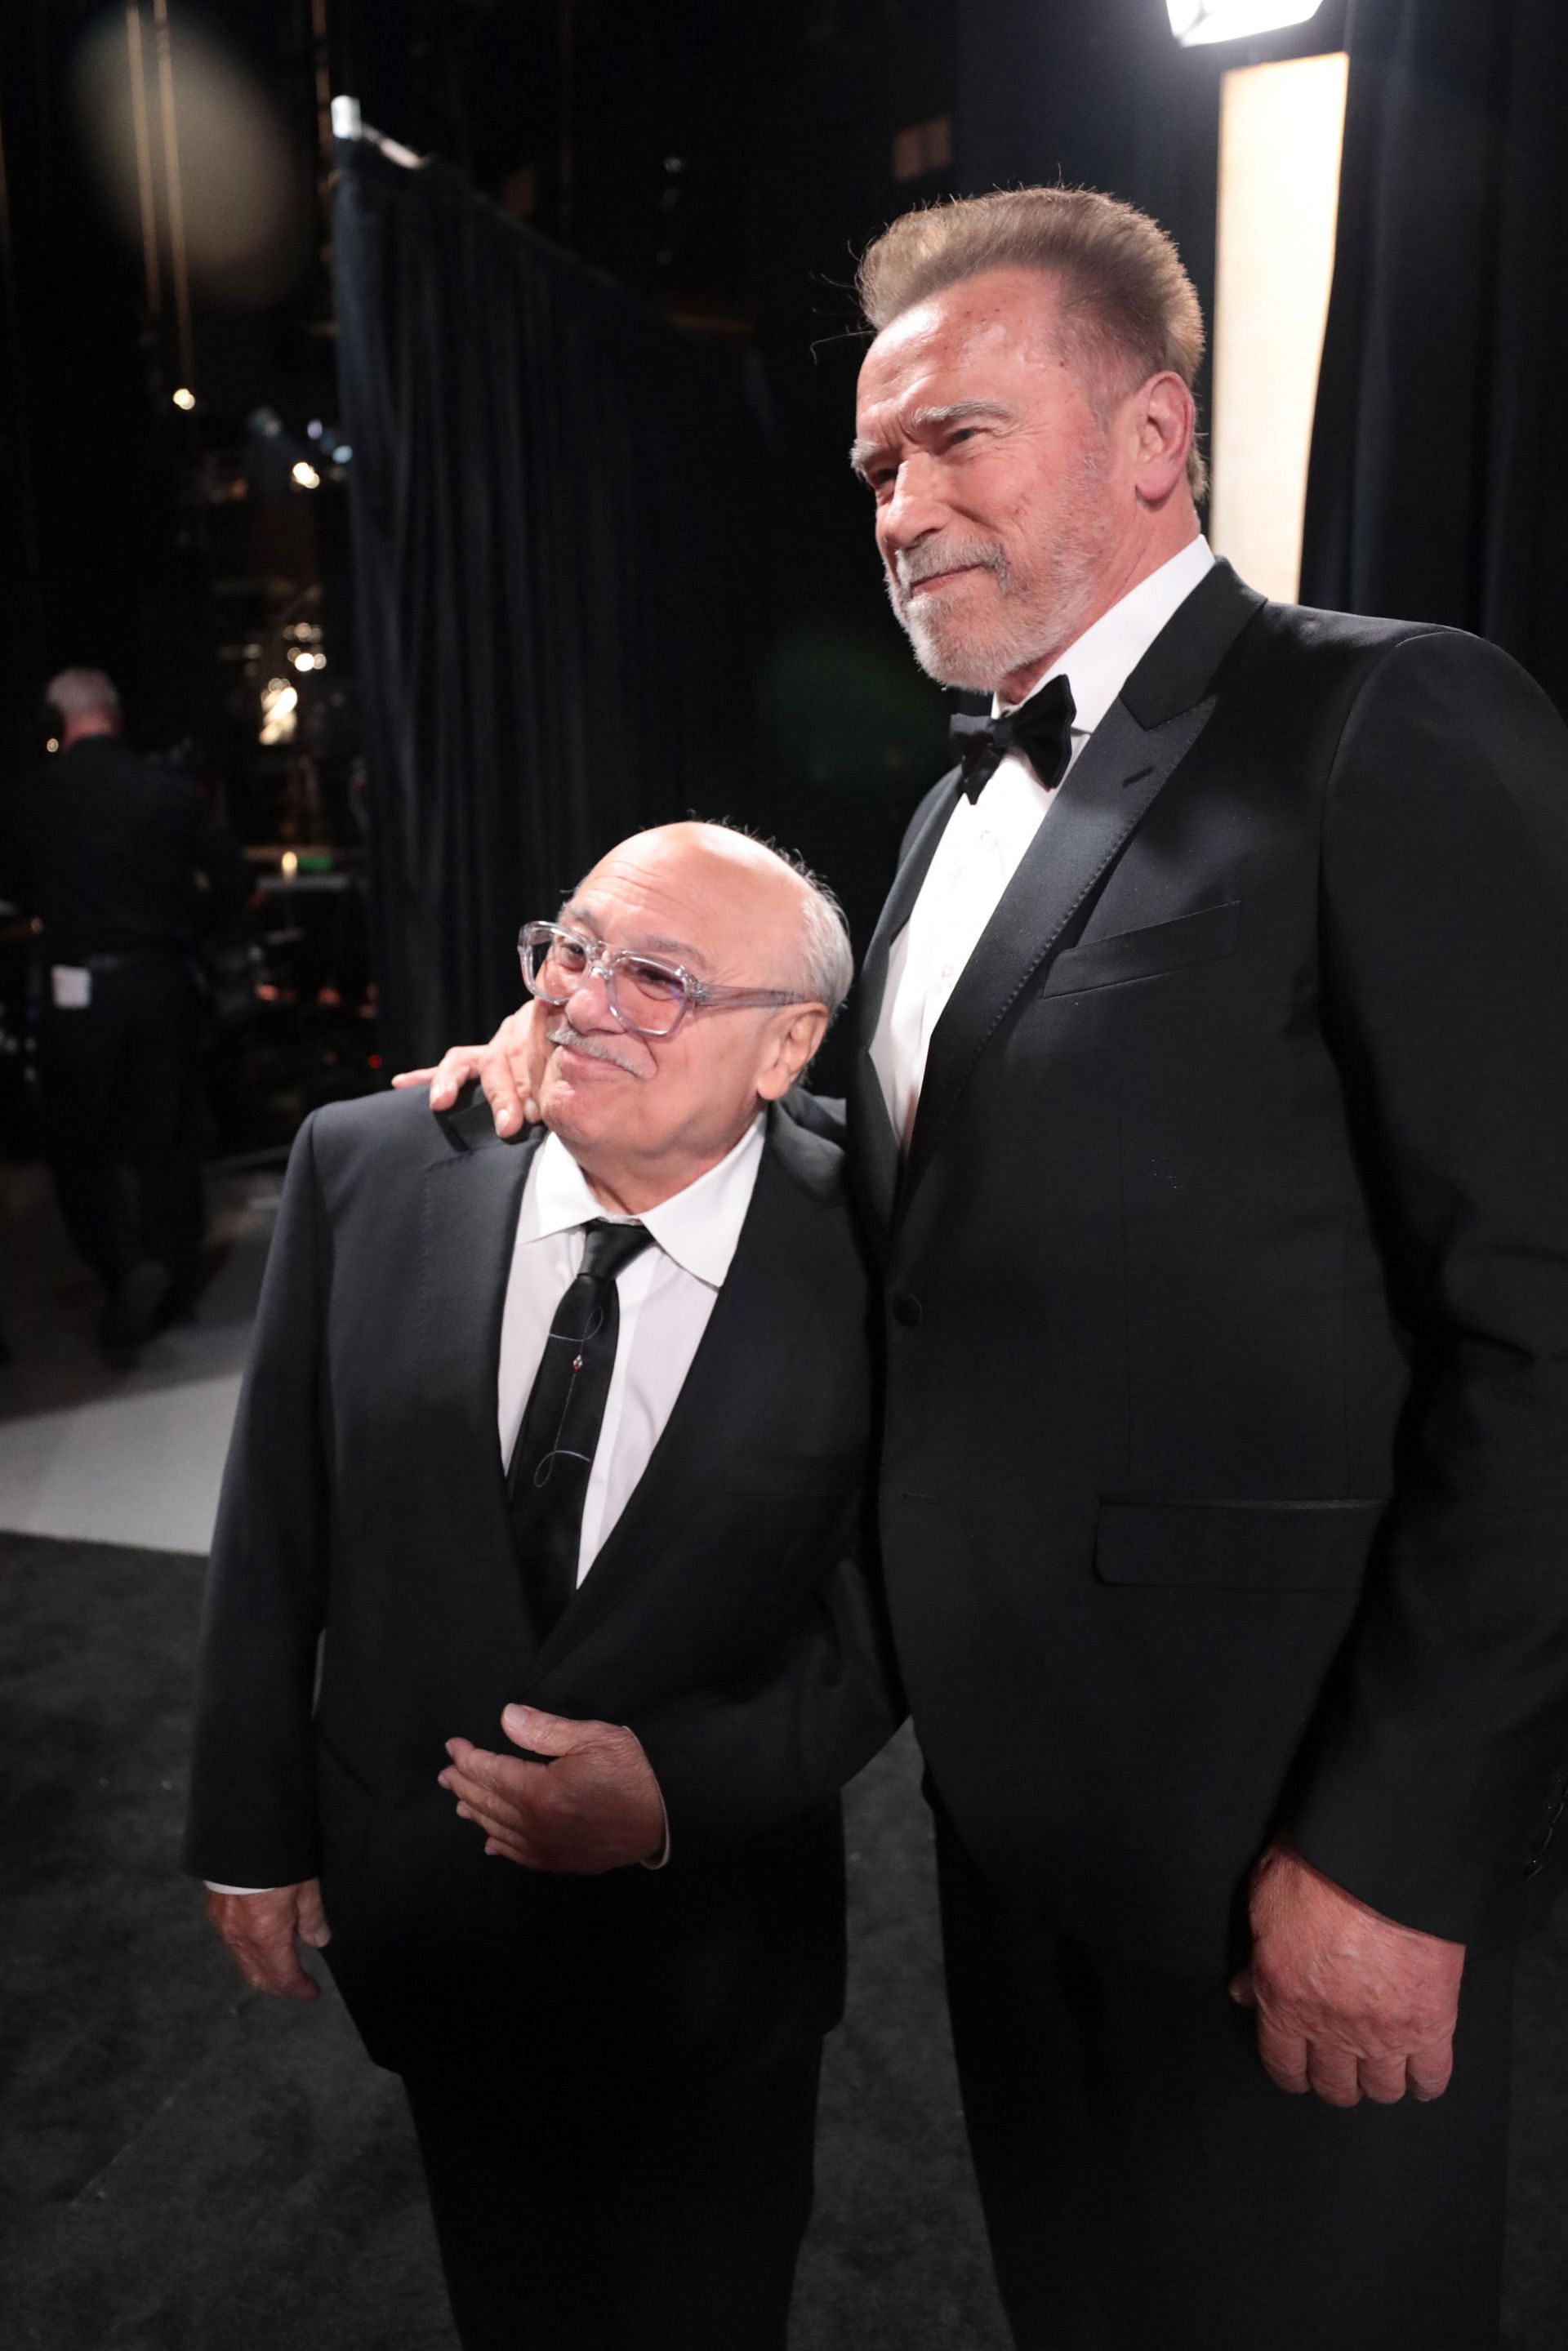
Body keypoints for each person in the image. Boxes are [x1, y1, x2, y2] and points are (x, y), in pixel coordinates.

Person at [412, 189, 1568, 2349]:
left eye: (957, 437)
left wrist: (1398, 1851)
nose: (900, 503)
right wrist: (605, 1059)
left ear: (1153, 438)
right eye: (873, 467)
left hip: (1285, 1821)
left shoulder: (1386, 722)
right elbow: (950, 1196)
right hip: (1011, 1808)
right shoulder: (950, 819)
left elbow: (1540, 1329)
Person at [185, 822, 898, 2351]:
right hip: (426, 1918)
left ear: (789, 1044)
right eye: (570, 949)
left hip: (714, 1957)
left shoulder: (885, 1242)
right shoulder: (372, 1162)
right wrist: (247, 1831)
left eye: (660, 978)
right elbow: (275, 1528)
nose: (583, 1001)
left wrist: (672, 1791)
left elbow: (892, 1602)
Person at [16, 668, 250, 1347]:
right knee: (168, 1140)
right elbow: (233, 878)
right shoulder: (166, 788)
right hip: (159, 982)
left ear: (57, 723)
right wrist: (183, 925)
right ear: (115, 716)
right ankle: (172, 1286)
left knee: (80, 1147)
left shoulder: (36, 796)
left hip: (77, 991)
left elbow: (19, 896)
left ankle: (124, 1268)